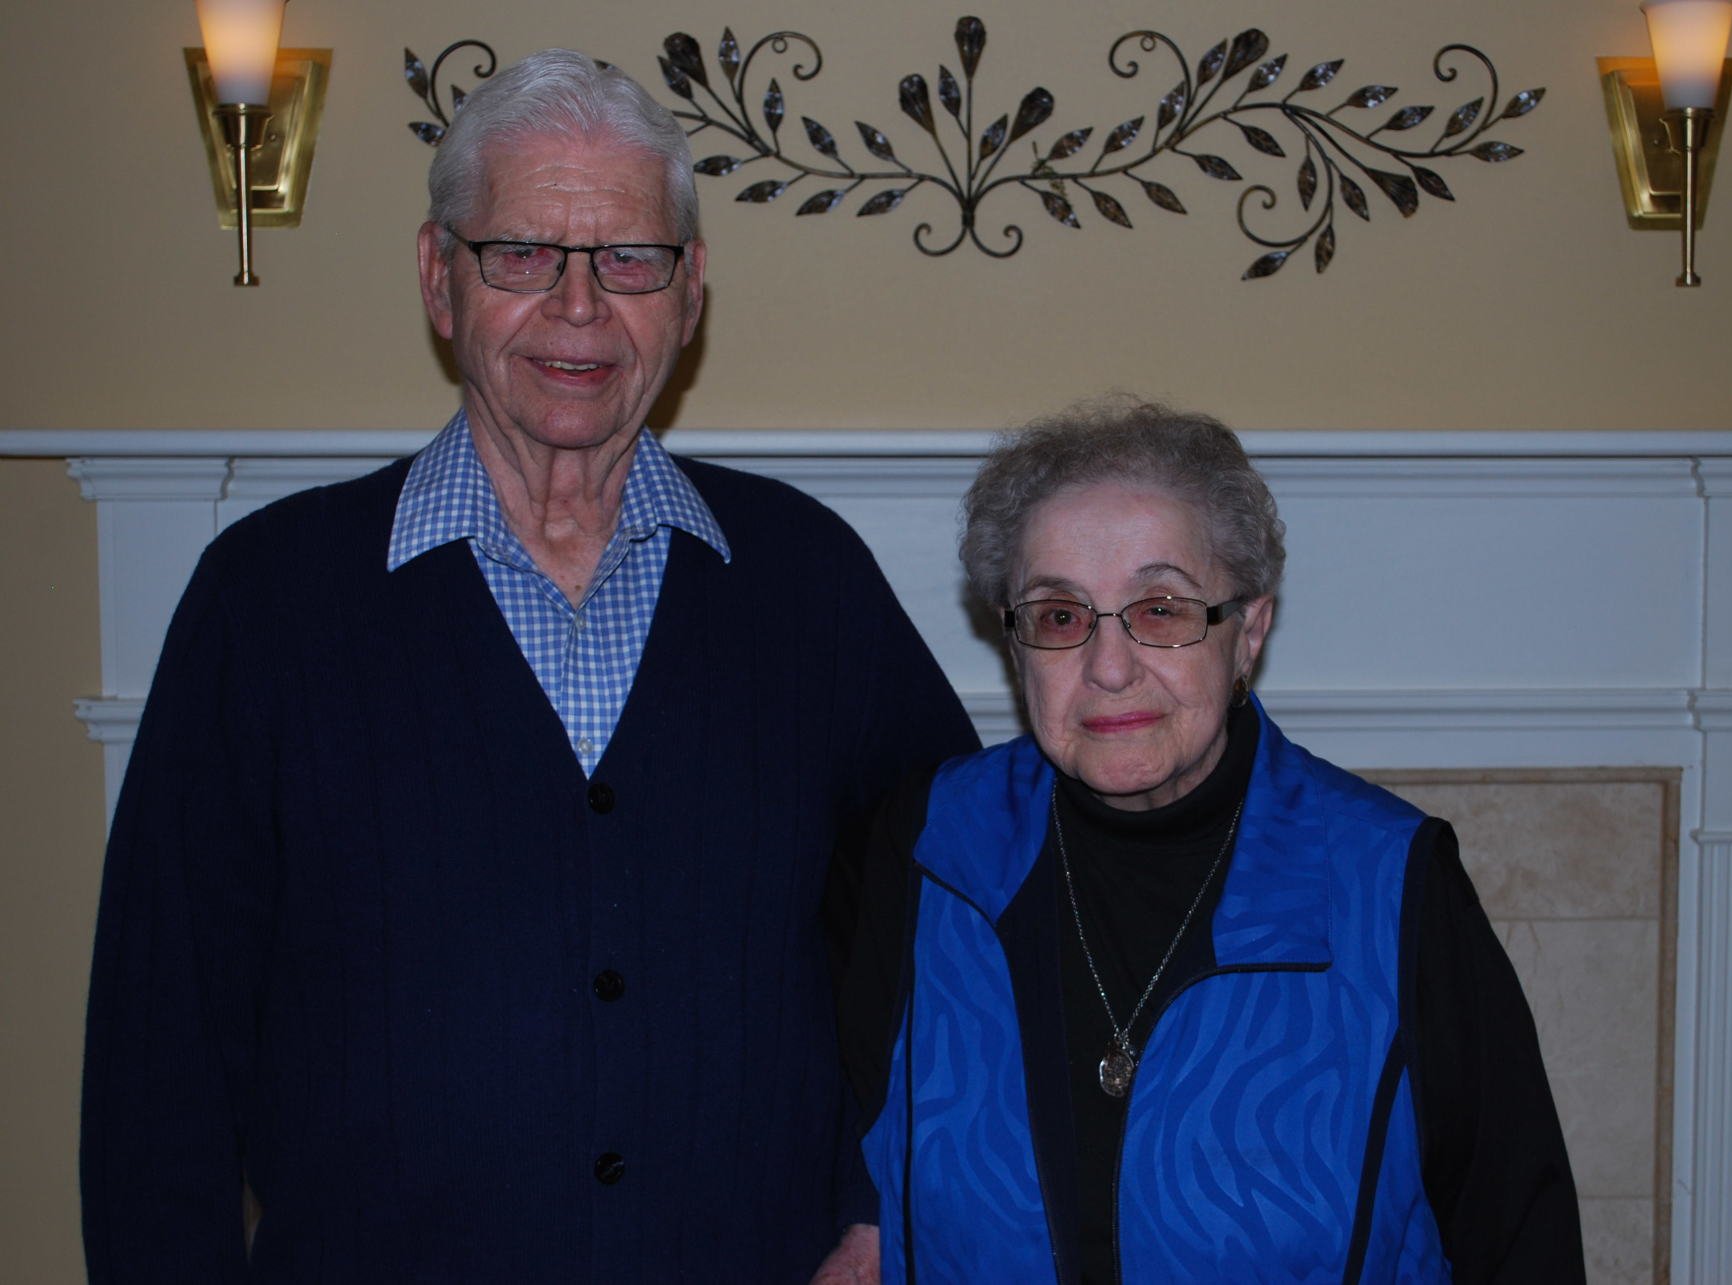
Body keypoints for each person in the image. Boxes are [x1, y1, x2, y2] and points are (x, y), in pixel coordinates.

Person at [80, 49, 976, 1282]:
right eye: (520, 254)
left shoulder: (808, 581)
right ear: (438, 278)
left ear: (690, 292)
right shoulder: (265, 602)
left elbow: (956, 920)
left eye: (629, 259)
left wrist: (883, 1216)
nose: (579, 306)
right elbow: (159, 1055)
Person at [839, 398, 1584, 1282]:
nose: (1108, 667)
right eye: (1060, 616)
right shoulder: (929, 847)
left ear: (1249, 631)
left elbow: (1519, 1238)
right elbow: (832, 1157)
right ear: (1015, 640)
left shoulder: (1387, 881)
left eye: (1161, 609)